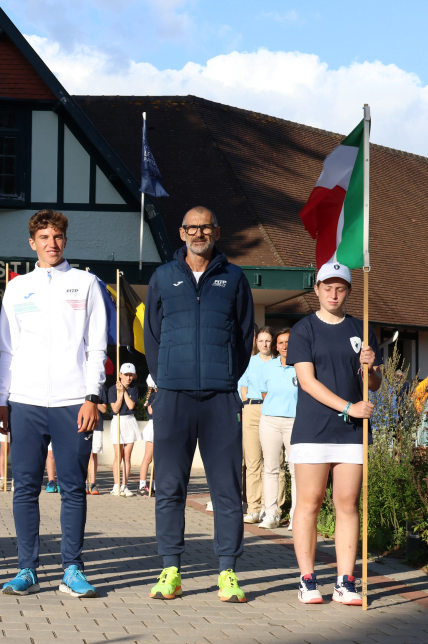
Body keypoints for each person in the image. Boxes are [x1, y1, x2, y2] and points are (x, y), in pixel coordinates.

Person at [143, 206, 255, 603]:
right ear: (181, 232)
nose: (198, 233)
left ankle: (227, 571)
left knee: (227, 489)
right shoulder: (162, 277)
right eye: (191, 227)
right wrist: (168, 379)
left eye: (205, 227)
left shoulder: (234, 278)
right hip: (173, 398)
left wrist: (224, 375)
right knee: (169, 486)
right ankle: (170, 569)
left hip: (220, 399)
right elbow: (151, 338)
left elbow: (244, 337)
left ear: (216, 231)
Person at [0, 210, 107, 599]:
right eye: (44, 237)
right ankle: (27, 569)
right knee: (24, 488)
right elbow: (7, 350)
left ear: (65, 240)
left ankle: (72, 569)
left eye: (57, 236)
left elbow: (97, 346)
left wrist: (92, 396)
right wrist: (2, 401)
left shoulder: (86, 283)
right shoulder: (17, 287)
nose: (52, 243)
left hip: (72, 401)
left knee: (74, 487)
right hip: (24, 402)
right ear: (32, 243)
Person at [288, 262, 381, 605]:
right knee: (309, 504)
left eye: (340, 288)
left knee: (347, 505)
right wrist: (347, 407)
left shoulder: (361, 327)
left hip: (351, 433)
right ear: (316, 289)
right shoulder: (304, 329)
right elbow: (308, 382)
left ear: (349, 292)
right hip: (313, 429)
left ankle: (345, 581)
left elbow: (373, 383)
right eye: (327, 287)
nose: (333, 293)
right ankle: (308, 579)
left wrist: (369, 369)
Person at [257, 328, 298, 530]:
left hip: (295, 422)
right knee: (271, 469)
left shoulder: (302, 366)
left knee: (296, 470)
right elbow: (265, 395)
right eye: (280, 343)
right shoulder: (268, 367)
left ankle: (296, 516)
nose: (285, 346)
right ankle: (271, 513)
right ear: (276, 346)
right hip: (270, 421)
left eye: (288, 342)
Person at [238, 327, 277, 524]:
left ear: (272, 342)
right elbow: (243, 388)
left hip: (272, 411)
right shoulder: (249, 362)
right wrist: (249, 404)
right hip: (252, 410)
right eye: (261, 340)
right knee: (253, 462)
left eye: (268, 341)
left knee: (272, 462)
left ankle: (273, 508)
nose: (264, 344)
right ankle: (254, 508)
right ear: (256, 342)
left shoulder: (279, 363)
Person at [104, 363, 141, 496]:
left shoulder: (133, 389)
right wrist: (120, 393)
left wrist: (124, 392)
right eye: (126, 375)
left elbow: (131, 406)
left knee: (127, 456)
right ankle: (116, 485)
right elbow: (115, 409)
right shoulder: (112, 389)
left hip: (129, 421)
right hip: (118, 421)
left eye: (131, 375)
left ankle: (124, 485)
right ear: (120, 375)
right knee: (118, 456)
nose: (128, 378)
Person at [137, 375, 157, 497]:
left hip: (159, 427)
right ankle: (142, 485)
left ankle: (154, 485)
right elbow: (150, 411)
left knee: (157, 460)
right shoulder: (154, 396)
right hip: (152, 427)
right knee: (148, 458)